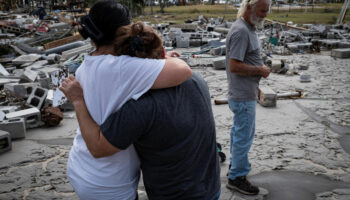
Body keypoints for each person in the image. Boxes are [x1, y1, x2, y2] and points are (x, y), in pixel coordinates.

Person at [65, 1, 192, 199]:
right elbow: (183, 71)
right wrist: (167, 60)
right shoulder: (121, 68)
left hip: (82, 166)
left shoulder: (86, 65)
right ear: (123, 31)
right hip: (109, 182)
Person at [60, 72, 221, 200]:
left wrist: (78, 100)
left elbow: (97, 147)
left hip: (176, 194)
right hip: (210, 185)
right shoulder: (194, 78)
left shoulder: (143, 106)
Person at [225, 0, 271, 195]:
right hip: (242, 97)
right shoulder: (241, 31)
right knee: (244, 137)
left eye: (266, 11)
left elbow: (244, 61)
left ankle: (235, 166)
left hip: (245, 92)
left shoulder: (248, 28)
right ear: (250, 7)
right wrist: (260, 70)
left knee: (239, 134)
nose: (264, 15)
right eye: (261, 11)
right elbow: (234, 66)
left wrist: (256, 84)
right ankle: (237, 177)